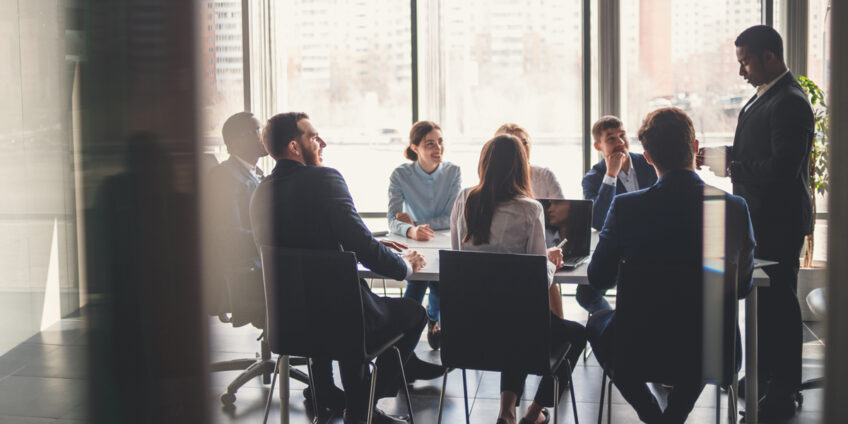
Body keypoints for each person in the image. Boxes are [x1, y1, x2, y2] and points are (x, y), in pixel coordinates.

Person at [250, 112, 446, 424]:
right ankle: (362, 406)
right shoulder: (326, 179)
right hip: (344, 319)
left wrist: (369, 245)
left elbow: (306, 247)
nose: (322, 141)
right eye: (314, 136)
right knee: (414, 313)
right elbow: (363, 247)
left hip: (290, 322)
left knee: (339, 317)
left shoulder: (261, 191)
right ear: (294, 147)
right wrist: (405, 267)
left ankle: (330, 396)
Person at [587, 107, 756, 423]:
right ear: (694, 148)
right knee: (701, 329)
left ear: (647, 157)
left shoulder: (627, 208)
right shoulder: (731, 207)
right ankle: (675, 414)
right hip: (713, 350)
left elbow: (598, 278)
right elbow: (743, 287)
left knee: (597, 322)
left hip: (639, 346)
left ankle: (653, 416)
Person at [699, 25, 814, 421]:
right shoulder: (765, 97)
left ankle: (783, 389)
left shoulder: (791, 102)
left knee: (780, 305)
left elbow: (784, 168)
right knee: (764, 304)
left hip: (779, 221)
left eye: (745, 60)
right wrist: (724, 157)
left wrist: (734, 165)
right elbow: (759, 150)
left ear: (770, 56)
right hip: (760, 216)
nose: (741, 70)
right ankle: (765, 378)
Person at [450, 134, 587, 424]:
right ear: (520, 167)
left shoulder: (463, 199)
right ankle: (533, 414)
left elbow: (457, 256)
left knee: (515, 320)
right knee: (570, 333)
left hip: (469, 330)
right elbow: (537, 279)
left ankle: (506, 412)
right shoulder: (529, 209)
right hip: (518, 329)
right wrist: (550, 262)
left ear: (484, 164)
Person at [388, 120, 461, 350]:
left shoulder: (453, 172)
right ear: (414, 148)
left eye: (440, 142)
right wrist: (410, 230)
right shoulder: (400, 174)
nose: (437, 148)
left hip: (444, 240)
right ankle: (412, 330)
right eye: (430, 143)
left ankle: (426, 322)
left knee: (440, 277)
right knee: (418, 276)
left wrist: (416, 224)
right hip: (413, 241)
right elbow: (392, 219)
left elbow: (451, 217)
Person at [579, 115, 658, 314]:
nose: (620, 142)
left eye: (622, 135)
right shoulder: (592, 178)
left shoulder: (649, 164)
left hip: (652, 245)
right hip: (617, 248)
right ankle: (613, 323)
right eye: (611, 138)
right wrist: (611, 176)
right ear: (598, 146)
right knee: (586, 293)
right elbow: (597, 221)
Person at [206, 112, 268, 327]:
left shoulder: (255, 174)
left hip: (262, 266)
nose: (263, 135)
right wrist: (274, 242)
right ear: (236, 140)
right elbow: (229, 234)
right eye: (256, 131)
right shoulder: (224, 176)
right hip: (249, 275)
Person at [495, 123, 564, 198]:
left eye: (525, 143)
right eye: (516, 145)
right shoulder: (494, 181)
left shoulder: (545, 176)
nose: (523, 149)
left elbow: (562, 207)